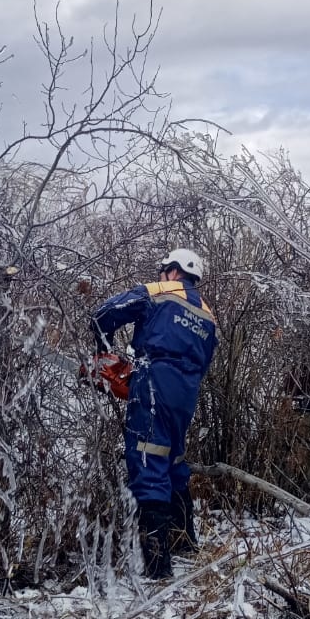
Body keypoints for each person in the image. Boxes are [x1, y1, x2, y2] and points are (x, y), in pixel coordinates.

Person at [90, 248, 218, 579]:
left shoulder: (160, 291)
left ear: (172, 271)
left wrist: (104, 356)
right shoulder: (208, 314)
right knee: (172, 458)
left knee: (147, 460)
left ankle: (158, 568)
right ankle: (186, 542)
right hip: (186, 392)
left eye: (164, 271)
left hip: (154, 380)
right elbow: (204, 362)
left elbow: (104, 313)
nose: (162, 276)